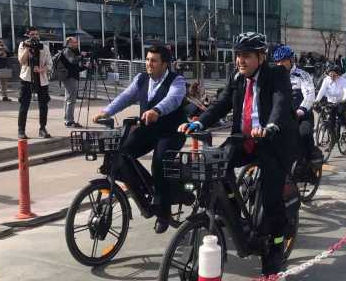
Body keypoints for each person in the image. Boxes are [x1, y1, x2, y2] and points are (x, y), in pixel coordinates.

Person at [180, 32, 298, 276]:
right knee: (214, 165)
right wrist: (199, 123)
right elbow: (220, 104)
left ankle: (275, 246)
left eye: (246, 55)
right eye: (238, 55)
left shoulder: (276, 74)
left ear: (261, 57)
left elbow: (280, 100)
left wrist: (271, 125)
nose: (240, 60)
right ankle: (233, 214)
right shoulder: (237, 78)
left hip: (272, 141)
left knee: (270, 197)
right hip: (243, 139)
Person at [92, 45, 187, 234]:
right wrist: (107, 111)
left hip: (171, 132)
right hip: (148, 129)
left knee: (159, 163)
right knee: (122, 152)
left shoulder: (177, 80)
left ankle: (163, 211)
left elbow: (173, 99)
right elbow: (125, 97)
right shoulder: (141, 79)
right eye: (147, 59)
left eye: (153, 60)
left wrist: (157, 111)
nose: (148, 64)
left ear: (164, 64)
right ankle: (147, 187)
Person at [273, 45, 322, 164]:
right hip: (283, 117)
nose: (280, 64)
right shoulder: (273, 76)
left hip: (301, 116)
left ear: (291, 60)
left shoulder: (302, 75)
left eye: (283, 61)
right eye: (277, 62)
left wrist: (301, 110)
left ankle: (312, 159)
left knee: (304, 134)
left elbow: (310, 95)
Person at [17, 27, 53, 139]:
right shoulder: (23, 45)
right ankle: (21, 130)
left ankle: (42, 129)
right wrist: (27, 48)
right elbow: (21, 61)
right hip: (27, 78)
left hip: (41, 79)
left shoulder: (44, 47)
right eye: (32, 34)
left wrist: (42, 70)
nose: (35, 36)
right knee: (24, 105)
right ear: (28, 35)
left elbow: (50, 64)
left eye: (37, 34)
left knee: (43, 105)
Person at [315, 65, 346, 135]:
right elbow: (322, 90)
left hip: (343, 101)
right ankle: (332, 135)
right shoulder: (326, 80)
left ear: (338, 74)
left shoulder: (343, 80)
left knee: (340, 112)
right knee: (331, 117)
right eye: (330, 75)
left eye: (334, 75)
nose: (332, 77)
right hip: (331, 101)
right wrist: (317, 100)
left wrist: (344, 99)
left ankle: (345, 126)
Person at [60, 37, 88, 128]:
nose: (76, 44)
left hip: (72, 76)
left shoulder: (75, 51)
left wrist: (86, 66)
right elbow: (72, 61)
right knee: (71, 99)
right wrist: (82, 56)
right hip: (69, 77)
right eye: (74, 42)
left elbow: (75, 67)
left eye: (77, 42)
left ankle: (67, 119)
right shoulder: (67, 51)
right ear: (69, 43)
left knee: (68, 99)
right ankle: (69, 121)